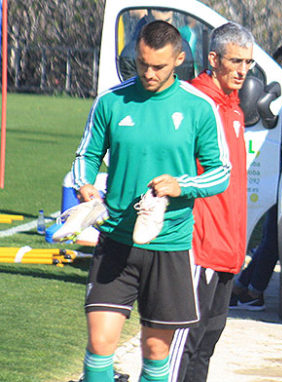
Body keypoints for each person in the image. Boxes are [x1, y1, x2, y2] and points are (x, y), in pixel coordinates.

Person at [71, 20, 230, 382]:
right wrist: (85, 185)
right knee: (100, 343)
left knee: (156, 351)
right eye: (142, 63)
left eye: (158, 66)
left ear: (177, 59)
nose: (148, 72)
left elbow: (221, 172)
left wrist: (182, 184)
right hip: (115, 239)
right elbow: (86, 156)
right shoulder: (111, 102)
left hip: (170, 244)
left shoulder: (199, 107)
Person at [166, 22, 255, 382]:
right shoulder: (192, 104)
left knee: (206, 344)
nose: (243, 71)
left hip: (228, 250)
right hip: (199, 246)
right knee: (183, 343)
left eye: (248, 63)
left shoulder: (234, 108)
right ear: (213, 59)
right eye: (236, 61)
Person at [228, 39, 282, 311]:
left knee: (273, 237)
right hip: (278, 167)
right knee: (272, 236)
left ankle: (249, 288)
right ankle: (248, 288)